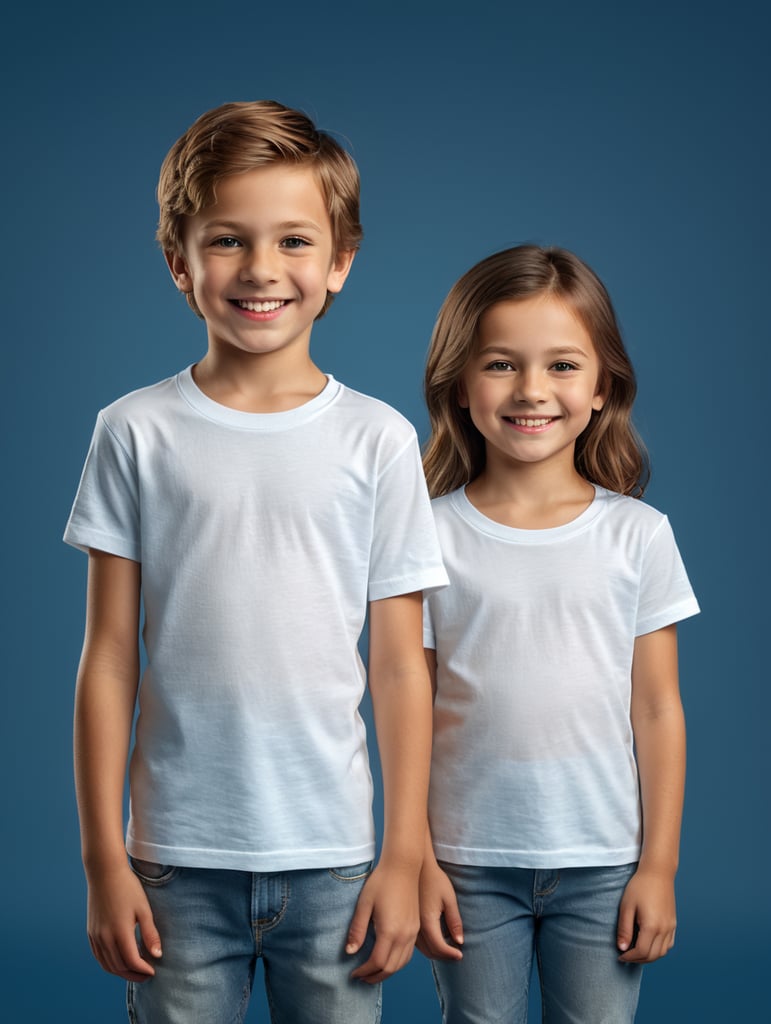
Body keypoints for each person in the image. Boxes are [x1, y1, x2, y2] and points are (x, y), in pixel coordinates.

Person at [64, 100, 447, 1024]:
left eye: (294, 241)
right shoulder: (135, 431)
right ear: (180, 262)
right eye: (228, 240)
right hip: (174, 859)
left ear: (339, 262)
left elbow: (400, 665)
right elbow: (109, 655)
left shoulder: (378, 440)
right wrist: (103, 859)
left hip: (335, 858)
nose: (261, 269)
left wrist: (404, 853)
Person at [417, 245, 699, 1023]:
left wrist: (658, 867)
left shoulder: (638, 535)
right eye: (500, 364)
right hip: (467, 863)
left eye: (562, 366)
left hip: (604, 861)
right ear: (460, 385)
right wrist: (415, 858)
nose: (531, 390)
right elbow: (408, 708)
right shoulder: (426, 537)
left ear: (602, 386)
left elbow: (657, 709)